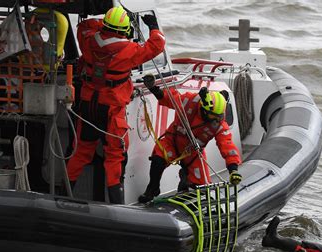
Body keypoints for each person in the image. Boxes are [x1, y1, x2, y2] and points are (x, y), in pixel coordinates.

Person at [66, 6, 166, 204]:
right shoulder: (130, 50)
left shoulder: (88, 41)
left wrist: (102, 23)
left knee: (81, 152)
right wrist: (153, 26)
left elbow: (84, 25)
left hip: (87, 106)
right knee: (115, 157)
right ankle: (117, 205)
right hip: (112, 110)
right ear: (125, 30)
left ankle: (62, 195)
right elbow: (157, 44)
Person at [137, 77, 242, 203]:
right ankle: (152, 189)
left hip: (193, 152)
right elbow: (169, 98)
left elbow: (227, 146)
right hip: (173, 141)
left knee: (202, 185)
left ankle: (185, 186)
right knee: (158, 159)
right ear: (203, 108)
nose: (216, 120)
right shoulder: (189, 101)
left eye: (219, 116)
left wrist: (233, 170)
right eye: (212, 116)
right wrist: (153, 88)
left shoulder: (219, 125)